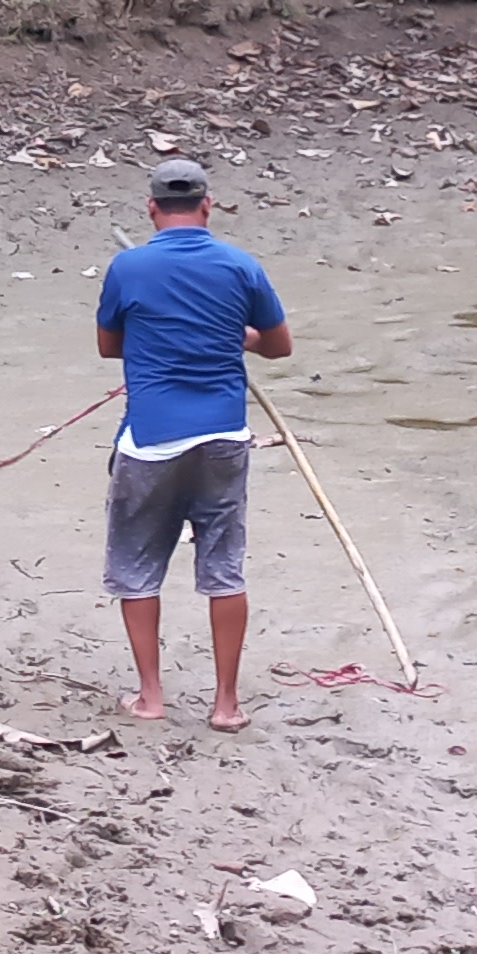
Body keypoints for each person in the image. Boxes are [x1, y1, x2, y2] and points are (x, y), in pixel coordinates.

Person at [93, 157, 293, 730]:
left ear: (152, 208)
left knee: (136, 568)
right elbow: (278, 347)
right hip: (225, 435)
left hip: (152, 438)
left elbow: (110, 347)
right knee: (224, 570)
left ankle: (151, 697)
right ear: (208, 205)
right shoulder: (240, 265)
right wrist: (242, 336)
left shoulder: (127, 266)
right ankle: (226, 706)